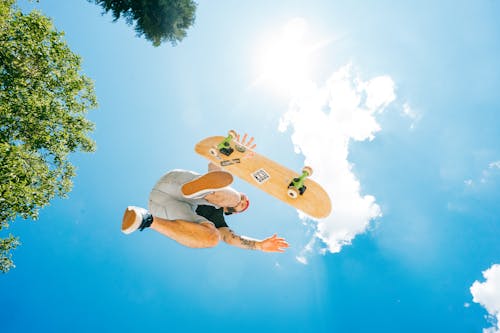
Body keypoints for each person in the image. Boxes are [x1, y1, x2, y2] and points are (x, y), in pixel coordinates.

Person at [122, 135, 289, 253]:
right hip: (175, 184)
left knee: (212, 238)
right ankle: (204, 190)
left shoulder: (219, 220)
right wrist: (229, 154)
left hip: (161, 207)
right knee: (230, 195)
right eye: (244, 199)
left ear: (232, 212)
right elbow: (214, 169)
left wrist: (260, 245)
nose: (243, 201)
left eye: (242, 206)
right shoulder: (228, 195)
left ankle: (144, 219)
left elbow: (230, 239)